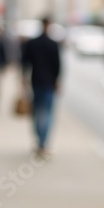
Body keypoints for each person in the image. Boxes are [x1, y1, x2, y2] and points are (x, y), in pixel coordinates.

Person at [21, 17, 61, 159]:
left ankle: (39, 142)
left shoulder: (32, 43)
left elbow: (24, 62)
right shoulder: (53, 44)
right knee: (48, 114)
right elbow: (58, 65)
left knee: (37, 113)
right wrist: (57, 81)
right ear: (48, 25)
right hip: (49, 83)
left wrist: (23, 79)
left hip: (36, 82)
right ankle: (43, 143)